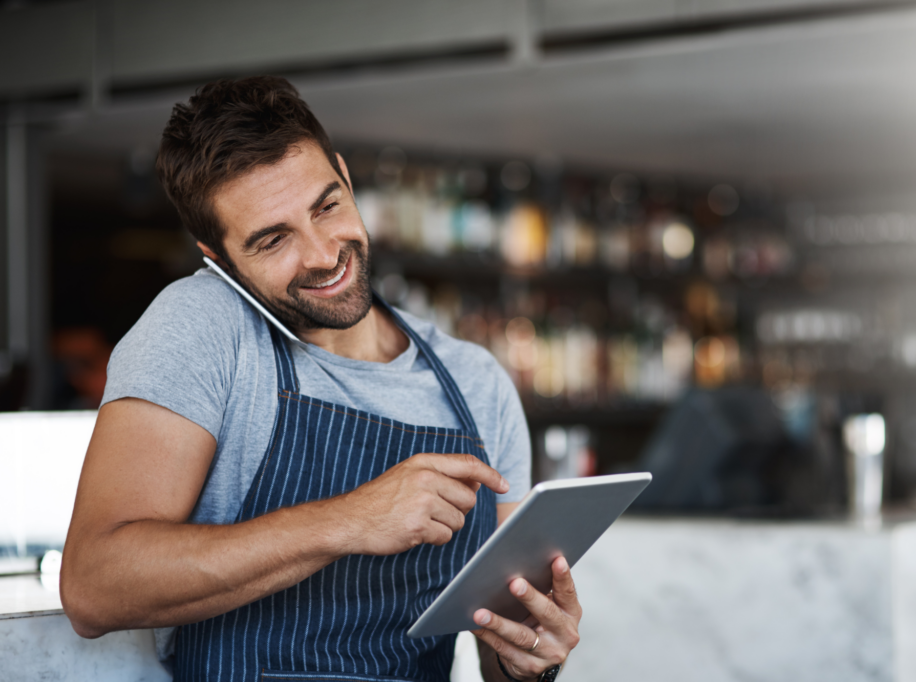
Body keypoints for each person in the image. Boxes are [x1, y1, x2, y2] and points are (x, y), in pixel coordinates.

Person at [60, 76, 581, 682]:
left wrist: (528, 660)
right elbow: (94, 586)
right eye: (273, 240)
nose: (322, 254)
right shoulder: (202, 327)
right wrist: (349, 520)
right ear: (219, 259)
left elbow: (498, 648)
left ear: (344, 175)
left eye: (326, 206)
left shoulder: (475, 383)